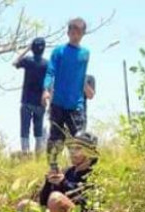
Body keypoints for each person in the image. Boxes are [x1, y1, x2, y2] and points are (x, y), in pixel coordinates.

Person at [22, 131, 99, 212]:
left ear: (91, 153)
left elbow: (84, 202)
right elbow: (43, 203)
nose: (72, 152)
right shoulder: (67, 172)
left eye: (78, 148)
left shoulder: (94, 175)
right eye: (71, 148)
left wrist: (64, 183)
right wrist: (49, 182)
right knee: (24, 206)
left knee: (56, 198)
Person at [43, 18, 91, 167]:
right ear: (68, 32)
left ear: (83, 34)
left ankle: (80, 171)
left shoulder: (85, 53)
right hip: (58, 103)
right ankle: (53, 169)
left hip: (76, 104)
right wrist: (46, 90)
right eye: (73, 32)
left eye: (79, 33)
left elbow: (81, 74)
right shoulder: (59, 52)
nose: (75, 35)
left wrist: (86, 88)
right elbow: (50, 72)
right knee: (56, 140)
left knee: (79, 140)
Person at [14, 37, 49, 156]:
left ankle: (25, 153)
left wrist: (26, 49)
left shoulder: (28, 61)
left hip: (27, 101)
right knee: (38, 129)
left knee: (25, 129)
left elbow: (15, 62)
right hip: (40, 102)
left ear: (33, 48)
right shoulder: (47, 64)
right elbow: (51, 81)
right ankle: (38, 155)